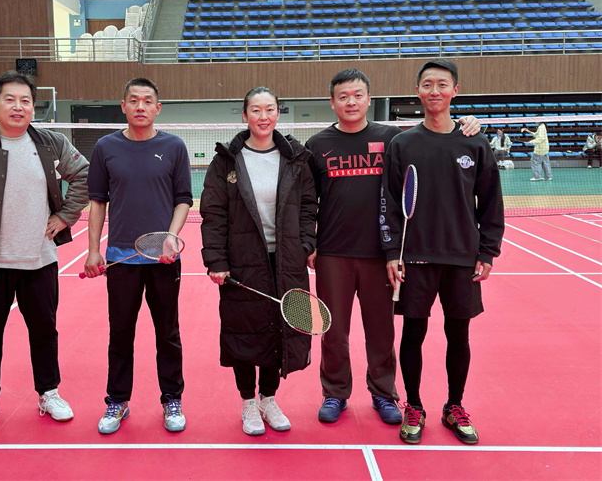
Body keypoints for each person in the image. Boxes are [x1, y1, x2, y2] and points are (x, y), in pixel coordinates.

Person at [305, 69, 482, 426]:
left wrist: (468, 122)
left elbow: (434, 132)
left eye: (358, 95)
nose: (351, 102)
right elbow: (307, 201)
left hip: (381, 255)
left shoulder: (392, 139)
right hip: (333, 253)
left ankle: (383, 393)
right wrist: (309, 240)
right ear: (332, 102)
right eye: (343, 96)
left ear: (369, 99)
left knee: (382, 331)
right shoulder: (317, 144)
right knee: (334, 331)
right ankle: (335, 392)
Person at [0, 70, 89, 433]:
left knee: (44, 332)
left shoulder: (52, 143)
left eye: (25, 101)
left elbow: (86, 176)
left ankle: (48, 393)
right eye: (9, 99)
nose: (18, 107)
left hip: (39, 260)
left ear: (34, 107)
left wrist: (66, 215)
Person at [381, 59, 504, 446]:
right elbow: (389, 202)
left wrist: (488, 250)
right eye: (427, 84)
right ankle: (414, 406)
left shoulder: (475, 142)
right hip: (415, 258)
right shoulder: (402, 144)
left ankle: (454, 406)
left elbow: (491, 201)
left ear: (455, 91)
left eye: (442, 84)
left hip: (462, 257)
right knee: (413, 332)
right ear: (417, 91)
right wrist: (391, 251)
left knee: (459, 334)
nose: (435, 91)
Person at [200, 86, 317, 436]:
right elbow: (213, 213)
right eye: (255, 110)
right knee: (243, 330)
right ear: (244, 115)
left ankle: (268, 398)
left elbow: (308, 205)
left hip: (286, 260)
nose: (263, 116)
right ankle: (248, 402)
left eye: (269, 109)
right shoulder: (226, 160)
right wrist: (216, 259)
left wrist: (305, 244)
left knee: (277, 328)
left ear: (278, 113)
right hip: (242, 261)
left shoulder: (296, 159)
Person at [83, 77, 192, 435]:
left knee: (168, 333)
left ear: (158, 108)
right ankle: (117, 401)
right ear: (123, 106)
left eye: (147, 101)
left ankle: (172, 399)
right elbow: (97, 202)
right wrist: (93, 250)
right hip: (121, 259)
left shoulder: (174, 147)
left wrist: (171, 238)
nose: (140, 106)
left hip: (163, 259)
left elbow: (183, 199)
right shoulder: (105, 147)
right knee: (120, 333)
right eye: (134, 100)